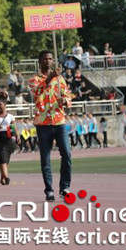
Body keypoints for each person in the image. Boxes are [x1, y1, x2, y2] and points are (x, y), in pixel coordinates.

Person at [29, 50, 72, 202]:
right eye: (45, 59)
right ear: (40, 61)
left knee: (66, 154)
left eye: (50, 59)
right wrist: (51, 77)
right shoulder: (34, 79)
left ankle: (65, 187)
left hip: (59, 121)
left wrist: (64, 101)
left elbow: (67, 95)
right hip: (43, 124)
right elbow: (37, 91)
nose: (48, 61)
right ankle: (49, 190)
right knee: (45, 159)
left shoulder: (60, 79)